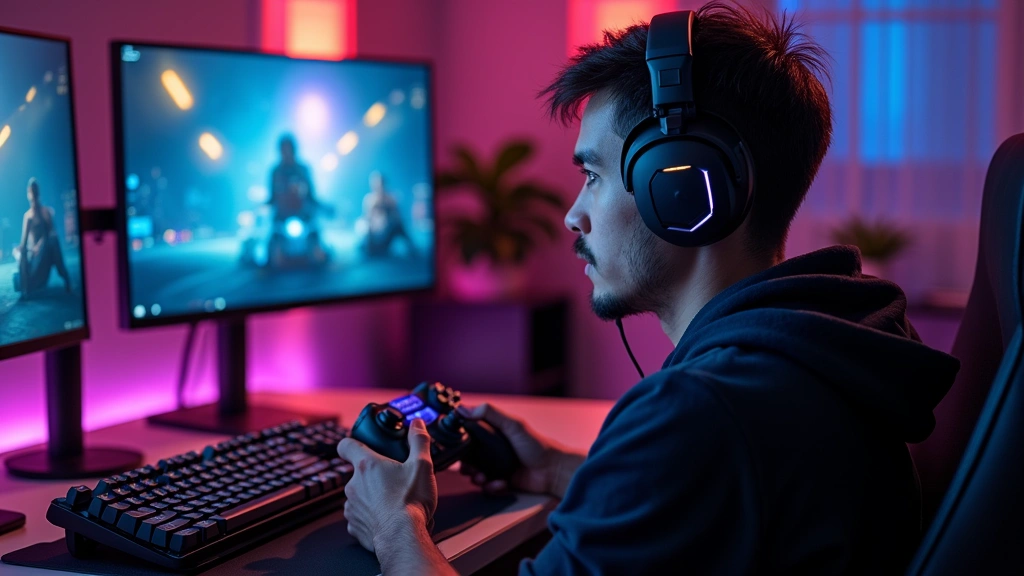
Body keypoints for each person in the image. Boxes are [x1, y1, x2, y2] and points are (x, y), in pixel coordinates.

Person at [335, 3, 960, 574]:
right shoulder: (820, 350)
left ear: (684, 188)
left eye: (594, 174)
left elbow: (702, 451)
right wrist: (557, 468)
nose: (572, 215)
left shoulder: (703, 412)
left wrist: (396, 528)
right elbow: (726, 495)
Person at [16, 177, 71, 297]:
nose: (34, 194)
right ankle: (26, 288)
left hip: (47, 257)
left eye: (36, 191)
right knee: (24, 251)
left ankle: (65, 276)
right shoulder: (28, 217)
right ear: (28, 194)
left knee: (52, 241)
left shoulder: (47, 212)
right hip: (35, 262)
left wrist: (41, 244)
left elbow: (53, 234)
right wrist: (23, 252)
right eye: (32, 191)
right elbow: (23, 244)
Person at [359, 171, 417, 258]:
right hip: (374, 237)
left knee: (398, 224)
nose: (378, 186)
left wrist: (387, 220)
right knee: (365, 226)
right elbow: (366, 218)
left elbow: (398, 218)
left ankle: (413, 250)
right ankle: (369, 250)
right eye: (375, 183)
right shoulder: (369, 199)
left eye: (380, 183)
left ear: (384, 184)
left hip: (387, 234)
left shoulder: (391, 199)